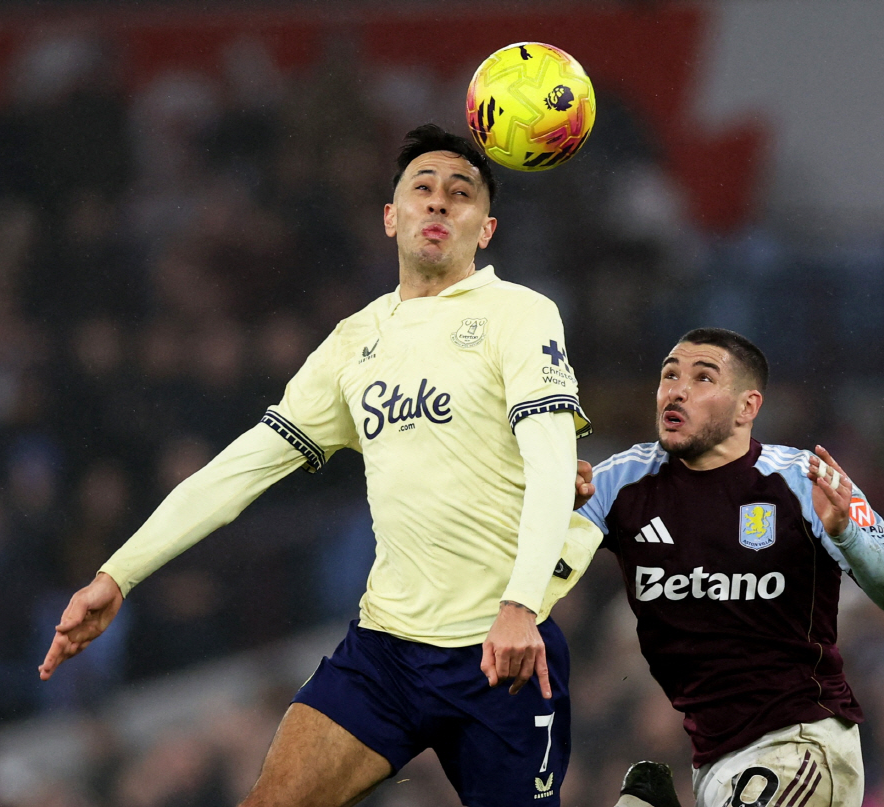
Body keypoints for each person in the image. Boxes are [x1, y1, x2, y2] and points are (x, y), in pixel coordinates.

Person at [38, 124, 600, 807]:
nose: (439, 204)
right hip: (385, 654)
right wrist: (118, 572)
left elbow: (552, 462)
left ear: (486, 229)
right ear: (391, 217)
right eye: (421, 189)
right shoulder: (355, 341)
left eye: (461, 195)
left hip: (503, 650)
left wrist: (518, 606)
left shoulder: (520, 313)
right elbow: (241, 468)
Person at [574, 328, 884, 807]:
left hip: (799, 741)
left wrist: (845, 533)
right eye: (669, 375)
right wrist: (550, 505)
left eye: (702, 378)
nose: (676, 389)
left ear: (747, 407)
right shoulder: (619, 482)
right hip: (713, 761)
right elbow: (537, 559)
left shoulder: (804, 480)